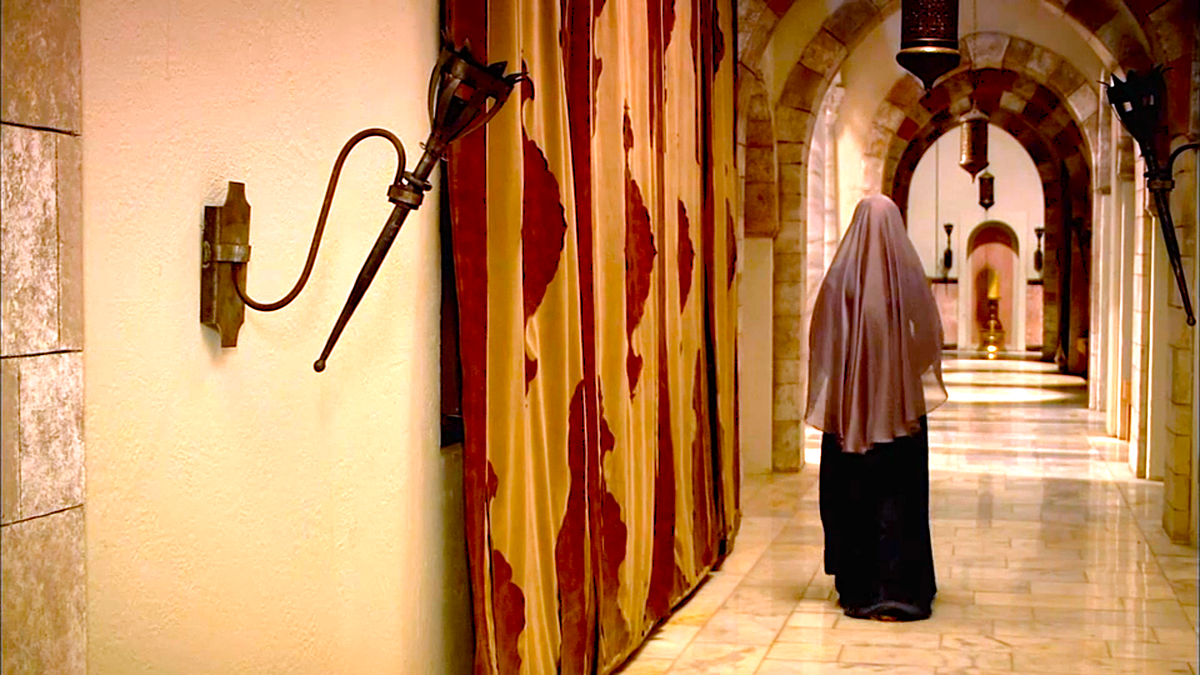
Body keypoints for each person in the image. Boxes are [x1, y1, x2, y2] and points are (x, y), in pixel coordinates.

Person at [805, 194, 947, 622]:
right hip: (900, 411)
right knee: (901, 496)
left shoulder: (839, 280)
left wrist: (852, 382)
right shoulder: (907, 277)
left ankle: (860, 585)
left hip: (852, 413)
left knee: (852, 493)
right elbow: (930, 338)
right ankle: (904, 588)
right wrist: (898, 375)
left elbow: (821, 343)